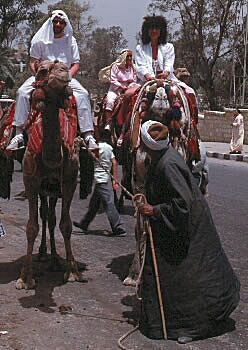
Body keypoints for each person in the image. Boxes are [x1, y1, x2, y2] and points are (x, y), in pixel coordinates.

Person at [137, 120, 240, 343]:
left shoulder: (167, 165)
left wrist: (153, 210)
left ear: (146, 145)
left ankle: (196, 325)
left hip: (188, 226)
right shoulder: (161, 157)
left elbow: (182, 205)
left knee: (193, 275)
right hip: (177, 225)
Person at [7, 10, 98, 151]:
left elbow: (75, 64)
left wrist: (67, 77)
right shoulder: (39, 39)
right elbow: (33, 61)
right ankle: (18, 134)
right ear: (51, 22)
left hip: (64, 77)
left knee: (83, 94)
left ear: (65, 25)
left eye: (61, 22)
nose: (58, 24)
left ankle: (88, 135)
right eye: (55, 21)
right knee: (22, 93)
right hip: (43, 76)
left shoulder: (71, 40)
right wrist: (38, 75)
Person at [73, 129, 127, 237]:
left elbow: (92, 157)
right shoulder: (109, 148)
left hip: (99, 179)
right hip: (104, 178)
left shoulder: (97, 147)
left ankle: (118, 227)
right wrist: (114, 179)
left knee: (108, 203)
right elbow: (114, 163)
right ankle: (85, 223)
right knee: (94, 205)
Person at [135, 15, 195, 96]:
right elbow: (140, 67)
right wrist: (148, 76)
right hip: (145, 82)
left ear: (161, 30)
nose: (154, 31)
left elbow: (169, 64)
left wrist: (165, 73)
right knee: (129, 95)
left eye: (157, 28)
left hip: (168, 80)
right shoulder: (140, 48)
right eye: (151, 28)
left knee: (190, 92)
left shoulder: (169, 47)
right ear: (146, 30)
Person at [99, 49, 140, 144]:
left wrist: (129, 87)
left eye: (130, 56)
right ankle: (109, 122)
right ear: (123, 57)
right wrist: (122, 87)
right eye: (128, 56)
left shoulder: (133, 67)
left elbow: (134, 80)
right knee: (110, 100)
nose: (129, 58)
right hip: (116, 90)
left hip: (129, 89)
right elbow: (113, 80)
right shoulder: (115, 67)